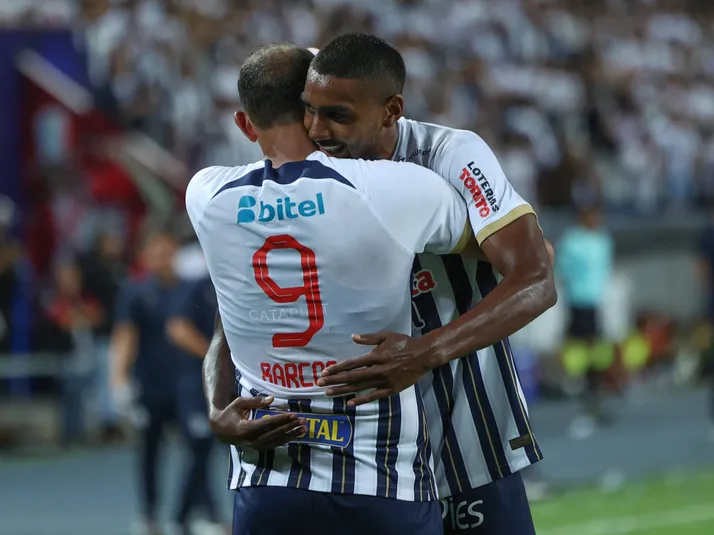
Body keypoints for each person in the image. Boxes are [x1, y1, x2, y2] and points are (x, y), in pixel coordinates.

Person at [207, 35, 556, 535]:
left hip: (460, 428)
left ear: (391, 110)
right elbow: (238, 307)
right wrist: (217, 405)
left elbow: (537, 274)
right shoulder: (303, 175)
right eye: (309, 111)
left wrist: (424, 352)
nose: (317, 129)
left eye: (337, 115)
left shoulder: (448, 154)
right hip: (358, 453)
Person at [110, 229, 216, 535]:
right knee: (149, 451)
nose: (161, 257)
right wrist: (118, 382)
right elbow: (125, 337)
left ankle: (200, 513)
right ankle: (148, 514)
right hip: (150, 385)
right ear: (144, 256)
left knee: (199, 447)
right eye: (154, 251)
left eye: (166, 250)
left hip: (188, 386)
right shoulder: (135, 291)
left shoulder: (193, 288)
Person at [166, 276, 224, 533]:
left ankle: (210, 514)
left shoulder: (237, 280)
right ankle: (183, 518)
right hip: (197, 388)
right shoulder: (197, 287)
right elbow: (177, 328)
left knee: (233, 452)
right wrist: (215, 357)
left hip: (227, 387)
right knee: (199, 450)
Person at [557, 205, 614, 432]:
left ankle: (594, 394)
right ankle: (585, 392)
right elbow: (564, 269)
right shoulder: (572, 241)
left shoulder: (602, 240)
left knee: (597, 348)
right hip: (579, 299)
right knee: (582, 346)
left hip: (597, 301)